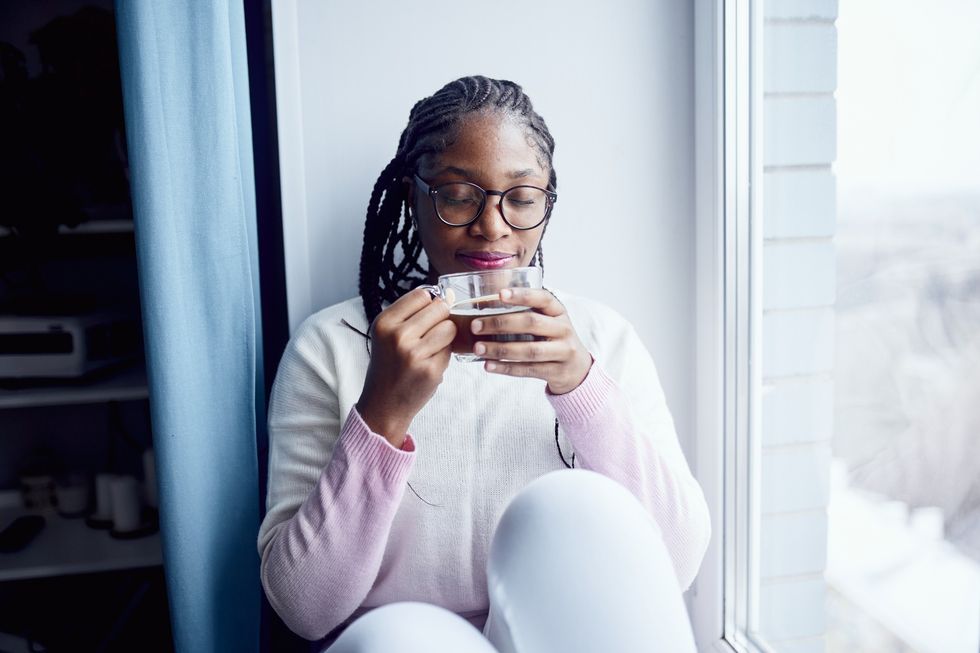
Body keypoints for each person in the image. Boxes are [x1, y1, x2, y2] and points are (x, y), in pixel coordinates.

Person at [257, 76, 710, 652]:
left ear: (546, 204)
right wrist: (380, 418)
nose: (493, 226)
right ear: (414, 197)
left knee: (574, 507)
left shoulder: (601, 339)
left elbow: (673, 567)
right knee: (400, 639)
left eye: (520, 198)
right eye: (458, 195)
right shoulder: (332, 345)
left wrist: (581, 388)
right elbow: (305, 610)